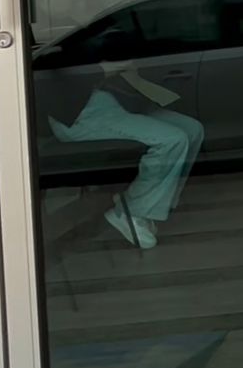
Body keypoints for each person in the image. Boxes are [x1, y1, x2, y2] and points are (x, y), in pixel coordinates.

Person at [46, 28, 204, 249]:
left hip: (112, 101)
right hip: (80, 114)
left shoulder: (100, 32)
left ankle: (148, 201)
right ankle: (132, 211)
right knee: (172, 139)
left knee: (193, 129)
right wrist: (107, 69)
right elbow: (57, 74)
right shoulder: (64, 42)